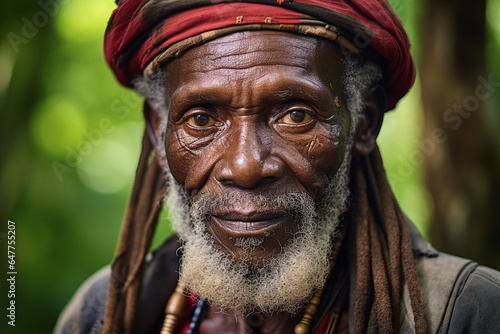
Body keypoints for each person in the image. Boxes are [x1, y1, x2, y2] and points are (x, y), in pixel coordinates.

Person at [55, 1, 500, 333]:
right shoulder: (101, 312)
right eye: (202, 119)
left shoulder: (469, 311)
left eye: (296, 115)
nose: (245, 166)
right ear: (158, 130)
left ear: (363, 122)